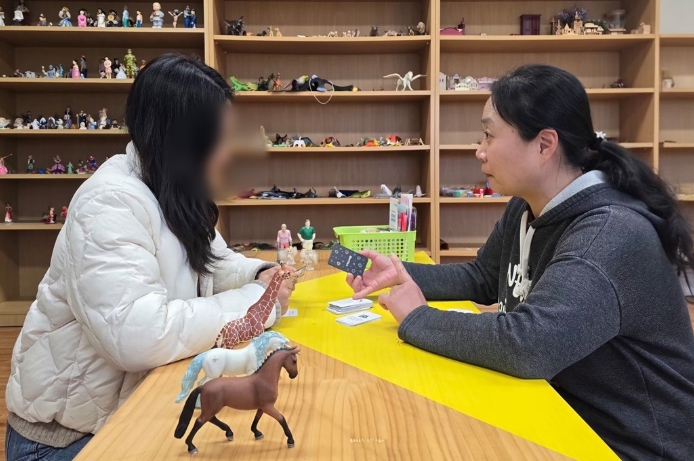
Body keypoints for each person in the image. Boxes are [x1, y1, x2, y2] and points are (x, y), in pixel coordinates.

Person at [346, 65, 694, 461]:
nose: (479, 150)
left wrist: (418, 317)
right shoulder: (527, 206)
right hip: (556, 413)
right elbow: (483, 276)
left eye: (489, 135)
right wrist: (403, 275)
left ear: (544, 145)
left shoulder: (609, 233)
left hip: (628, 446)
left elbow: (530, 345)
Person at [5, 54, 295, 461]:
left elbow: (216, 262)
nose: (229, 152)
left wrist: (261, 273)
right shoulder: (109, 203)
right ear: (187, 140)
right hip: (66, 439)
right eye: (221, 138)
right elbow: (138, 335)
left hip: (129, 413)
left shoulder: (173, 188)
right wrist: (257, 305)